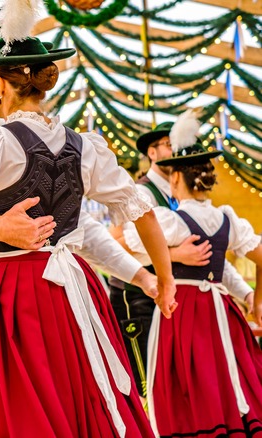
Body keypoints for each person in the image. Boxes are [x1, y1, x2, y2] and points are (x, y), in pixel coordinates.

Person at [0, 14, 178, 435]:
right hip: (74, 286)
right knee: (77, 391)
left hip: (12, 286)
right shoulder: (84, 145)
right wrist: (164, 277)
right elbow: (139, 209)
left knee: (20, 404)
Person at [118, 110, 262, 437]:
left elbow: (127, 239)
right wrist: (256, 299)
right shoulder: (226, 218)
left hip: (183, 311)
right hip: (221, 313)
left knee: (188, 382)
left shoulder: (169, 220)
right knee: (228, 379)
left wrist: (248, 293)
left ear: (175, 178)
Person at [108, 121, 214, 397]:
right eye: (168, 144)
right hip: (136, 296)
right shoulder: (140, 192)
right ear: (152, 153)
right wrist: (176, 255)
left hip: (171, 295)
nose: (175, 149)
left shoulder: (182, 194)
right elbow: (116, 243)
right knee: (146, 380)